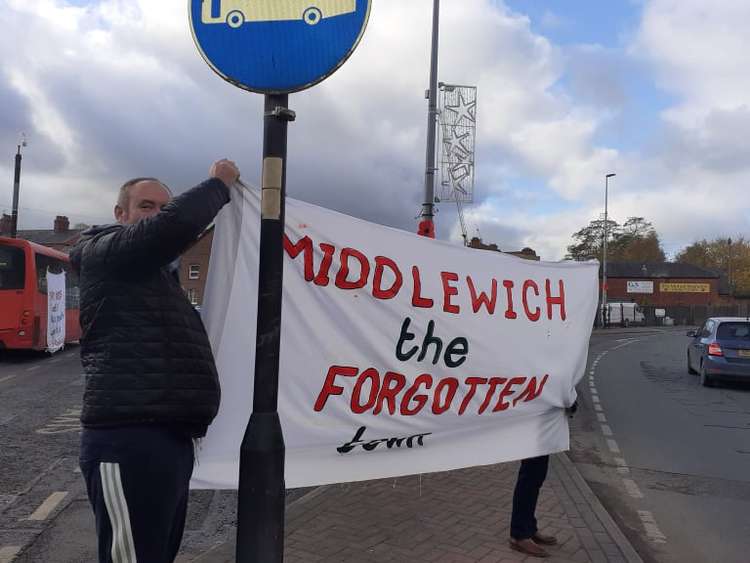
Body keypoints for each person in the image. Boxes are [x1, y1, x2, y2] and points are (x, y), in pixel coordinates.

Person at [70, 159, 240, 563]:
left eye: (163, 207)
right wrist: (219, 185)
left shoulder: (154, 276)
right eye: (147, 206)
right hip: (126, 438)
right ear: (120, 214)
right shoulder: (104, 251)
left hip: (168, 437)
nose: (156, 215)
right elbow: (170, 229)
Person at [509, 401, 577, 558]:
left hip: (543, 423)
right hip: (531, 422)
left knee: (536, 478)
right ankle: (519, 535)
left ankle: (529, 528)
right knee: (528, 479)